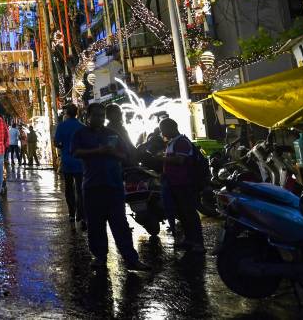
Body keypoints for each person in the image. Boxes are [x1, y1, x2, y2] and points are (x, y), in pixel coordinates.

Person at [72, 103, 150, 272]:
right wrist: (98, 150)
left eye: (102, 115)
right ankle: (99, 257)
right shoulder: (81, 134)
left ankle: (131, 258)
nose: (99, 118)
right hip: (92, 185)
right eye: (96, 115)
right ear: (88, 116)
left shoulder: (112, 134)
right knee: (95, 225)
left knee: (120, 223)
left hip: (113, 185)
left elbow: (126, 155)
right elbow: (76, 152)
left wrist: (113, 153)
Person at [158, 118, 205, 255]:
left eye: (163, 130)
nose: (162, 133)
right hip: (175, 183)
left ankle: (198, 243)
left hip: (184, 183)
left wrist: (161, 158)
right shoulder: (173, 142)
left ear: (171, 128)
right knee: (183, 213)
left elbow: (180, 160)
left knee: (189, 213)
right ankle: (189, 240)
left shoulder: (182, 142)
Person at [53, 104, 85, 229]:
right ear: (76, 113)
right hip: (80, 161)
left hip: (67, 161)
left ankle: (71, 213)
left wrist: (64, 148)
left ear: (67, 113)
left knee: (69, 188)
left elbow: (56, 142)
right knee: (80, 188)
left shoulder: (61, 126)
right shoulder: (82, 127)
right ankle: (81, 214)